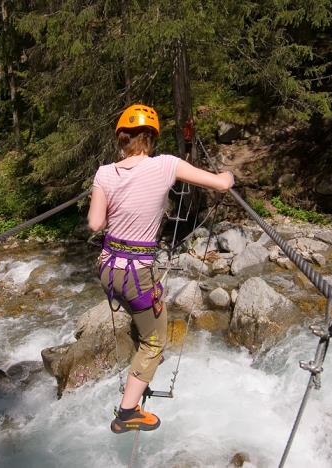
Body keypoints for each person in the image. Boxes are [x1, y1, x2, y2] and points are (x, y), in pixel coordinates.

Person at [87, 104, 234, 434]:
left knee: (145, 318)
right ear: (150, 140)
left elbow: (96, 223)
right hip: (137, 275)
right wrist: (228, 176)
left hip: (107, 270)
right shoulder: (166, 165)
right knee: (155, 342)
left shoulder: (103, 173)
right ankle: (127, 414)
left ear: (121, 139)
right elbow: (220, 185)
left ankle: (139, 370)